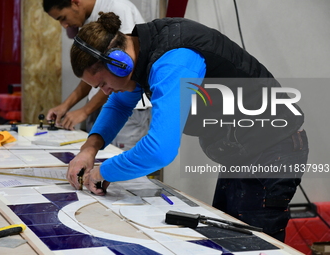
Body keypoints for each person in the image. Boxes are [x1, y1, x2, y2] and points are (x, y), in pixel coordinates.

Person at [67, 12, 309, 242]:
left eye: (102, 83)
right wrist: (90, 148)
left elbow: (160, 150)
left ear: (119, 63)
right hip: (244, 150)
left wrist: (105, 171)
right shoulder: (143, 50)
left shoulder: (173, 61)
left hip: (273, 150)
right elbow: (120, 104)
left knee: (252, 247)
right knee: (227, 238)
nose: (104, 92)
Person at [43, 0, 151, 150]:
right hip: (101, 103)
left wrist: (85, 110)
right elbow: (94, 75)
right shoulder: (88, 18)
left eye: (63, 18)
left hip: (128, 106)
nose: (64, 25)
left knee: (121, 160)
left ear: (75, 2)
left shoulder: (117, 8)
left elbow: (118, 73)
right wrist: (66, 106)